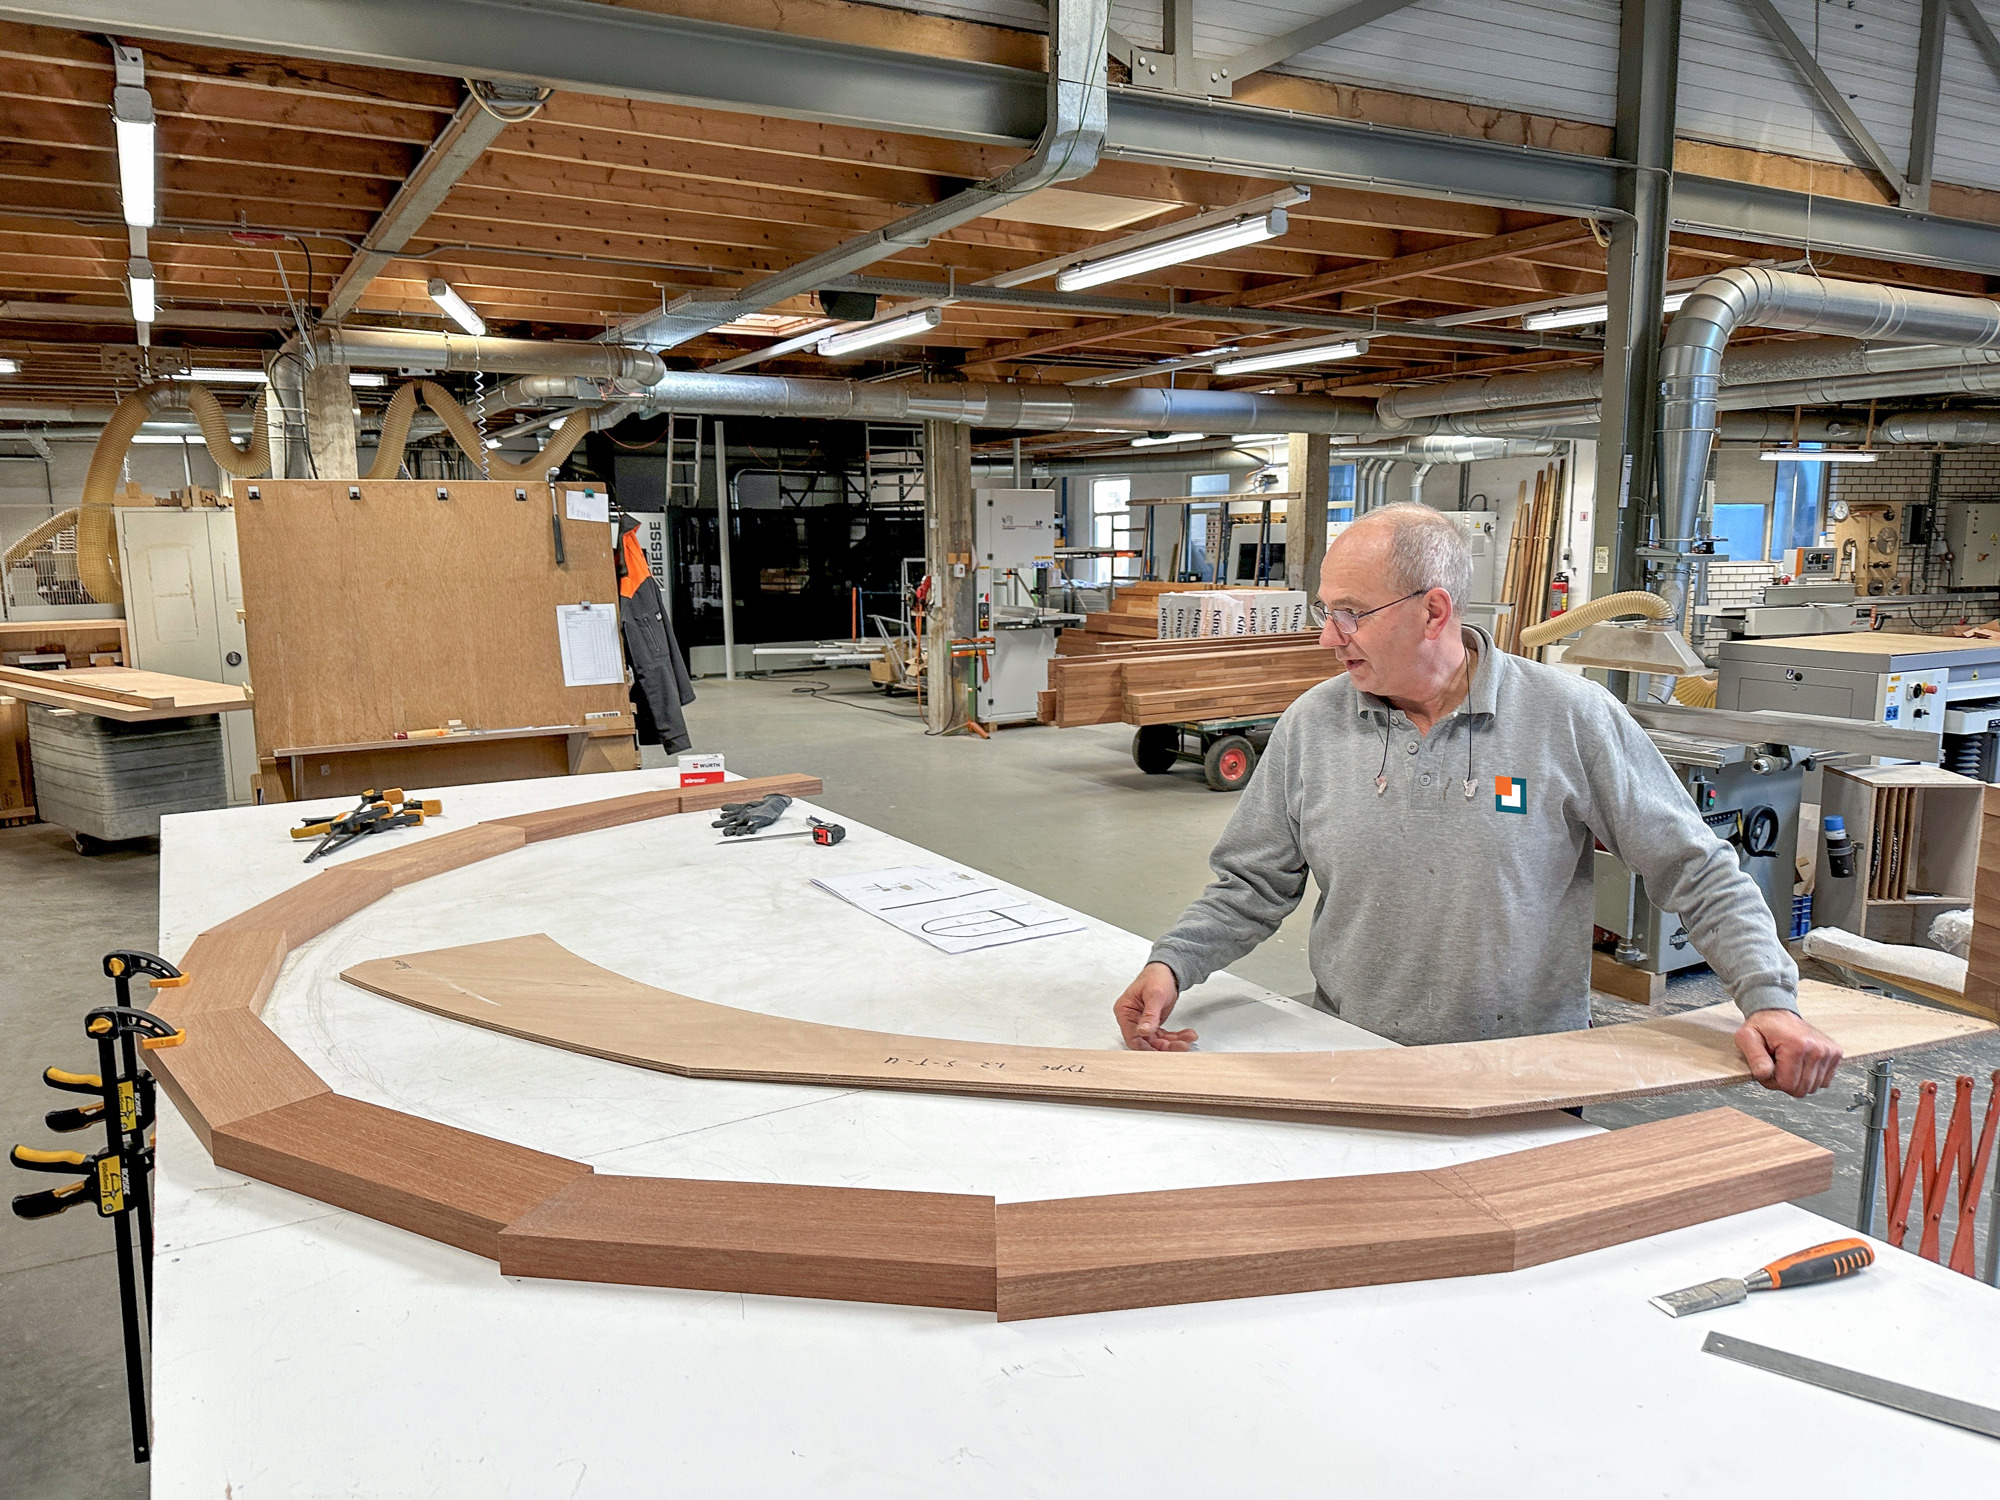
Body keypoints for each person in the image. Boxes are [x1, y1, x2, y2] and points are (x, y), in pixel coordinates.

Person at [1112, 503, 1842, 1098]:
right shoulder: (1313, 723)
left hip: (1528, 1073)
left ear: (1434, 611)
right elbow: (1251, 883)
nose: (1329, 637)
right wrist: (1172, 965)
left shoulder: (1567, 716)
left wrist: (1769, 997)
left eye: (1351, 612)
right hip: (1352, 1056)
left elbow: (1695, 868)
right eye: (1325, 610)